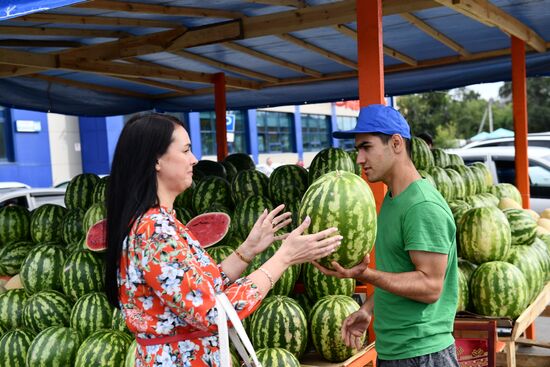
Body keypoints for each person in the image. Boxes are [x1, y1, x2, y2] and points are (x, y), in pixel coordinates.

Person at [104, 113, 342, 367]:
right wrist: (283, 258)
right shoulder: (155, 233)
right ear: (156, 160)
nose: (194, 160)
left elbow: (201, 290)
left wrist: (247, 251)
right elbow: (215, 312)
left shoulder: (160, 223)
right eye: (185, 150)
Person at [314, 105, 459, 367]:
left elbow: (430, 287)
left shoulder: (422, 206)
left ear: (395, 143)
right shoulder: (393, 199)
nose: (359, 158)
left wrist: (364, 274)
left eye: (366, 147)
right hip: (395, 351)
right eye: (357, 149)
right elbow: (399, 271)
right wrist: (368, 309)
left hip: (422, 354)